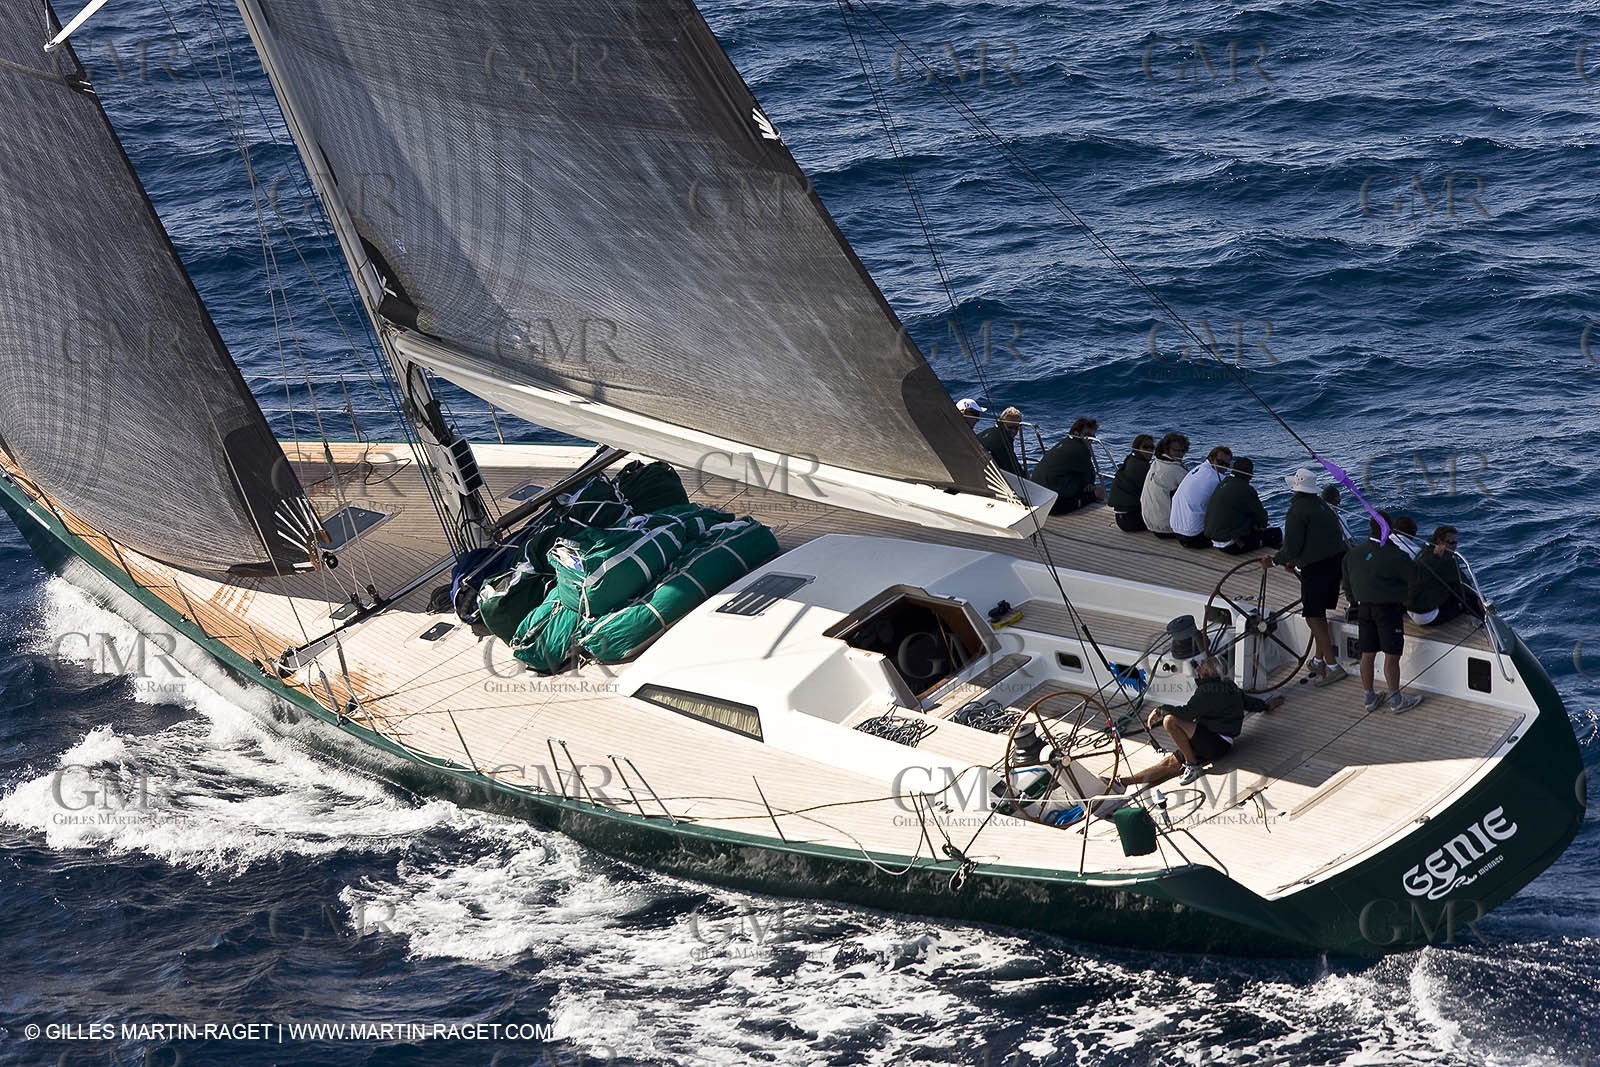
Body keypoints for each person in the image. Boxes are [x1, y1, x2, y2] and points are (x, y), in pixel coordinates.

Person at [1122, 654, 1283, 787]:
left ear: (1209, 673)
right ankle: (1123, 782)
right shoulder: (1228, 686)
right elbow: (1248, 702)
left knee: (1170, 721)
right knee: (1170, 763)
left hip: (1214, 741)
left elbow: (1187, 713)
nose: (1199, 665)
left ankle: (1193, 766)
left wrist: (1160, 710)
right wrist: (1267, 706)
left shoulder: (1207, 691)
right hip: (1216, 742)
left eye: (1204, 664)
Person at [1263, 468, 1349, 686]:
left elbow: (1291, 547)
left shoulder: (1297, 511)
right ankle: (1319, 660)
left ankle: (1333, 666)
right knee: (1318, 614)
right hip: (1334, 564)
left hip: (1316, 570)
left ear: (1294, 488)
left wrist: (1275, 561)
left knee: (1312, 616)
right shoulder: (1324, 507)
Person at [1343, 514, 1423, 714]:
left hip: (1363, 608)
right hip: (1387, 610)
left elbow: (1347, 585)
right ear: (1390, 529)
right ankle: (1396, 699)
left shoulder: (1353, 553)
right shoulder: (1394, 555)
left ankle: (1369, 697)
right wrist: (1405, 600)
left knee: (1367, 654)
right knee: (1391, 655)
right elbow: (1415, 579)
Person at [1407, 525, 1484, 626]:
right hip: (1427, 617)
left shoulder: (1423, 552)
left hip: (1410, 610)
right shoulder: (1446, 560)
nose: (1454, 546)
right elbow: (1465, 586)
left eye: (1456, 542)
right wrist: (1481, 600)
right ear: (1440, 541)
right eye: (1451, 543)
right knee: (1469, 599)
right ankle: (1484, 627)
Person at [1203, 456, 1283, 553]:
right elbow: (1262, 518)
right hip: (1232, 545)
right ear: (1249, 474)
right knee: (1277, 533)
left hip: (1213, 539)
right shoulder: (1246, 489)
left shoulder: (1223, 483)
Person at [1032, 417, 1104, 514]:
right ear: (1076, 433)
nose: (1091, 439)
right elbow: (1089, 478)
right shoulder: (1081, 450)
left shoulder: (1063, 443)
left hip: (1036, 497)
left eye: (1093, 436)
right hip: (1054, 505)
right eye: (1087, 435)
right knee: (1099, 492)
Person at [1169, 445, 1233, 548]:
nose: (1223, 467)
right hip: (1194, 536)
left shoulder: (1198, 469)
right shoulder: (1217, 479)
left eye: (1226, 465)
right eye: (1220, 462)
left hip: (1176, 531)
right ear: (1211, 458)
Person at [1140, 432, 1190, 539]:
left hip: (1150, 523)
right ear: (1166, 449)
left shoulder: (1156, 463)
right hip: (1167, 528)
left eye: (1182, 451)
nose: (1180, 454)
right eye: (1176, 450)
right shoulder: (1175, 469)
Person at [1107, 434, 1156, 532]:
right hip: (1132, 520)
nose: (1149, 450)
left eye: (1152, 447)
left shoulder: (1130, 460)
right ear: (1137, 448)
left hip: (1121, 518)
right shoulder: (1142, 467)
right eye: (1145, 447)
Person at [978, 406, 1025, 478]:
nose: (1014, 431)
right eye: (1010, 427)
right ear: (1002, 423)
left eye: (1016, 427)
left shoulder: (986, 432)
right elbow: (1014, 470)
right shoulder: (1001, 441)